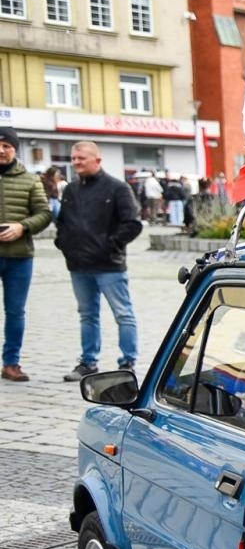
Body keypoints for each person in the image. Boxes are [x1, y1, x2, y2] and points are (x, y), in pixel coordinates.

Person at [56, 141, 142, 380]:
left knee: (123, 314)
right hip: (78, 266)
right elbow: (62, 223)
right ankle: (88, 362)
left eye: (81, 158)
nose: (76, 162)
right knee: (87, 315)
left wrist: (109, 246)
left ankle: (127, 363)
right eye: (74, 158)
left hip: (109, 266)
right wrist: (64, 245)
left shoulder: (117, 188)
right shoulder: (71, 190)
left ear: (97, 160)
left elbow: (132, 224)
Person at [0, 128, 53, 382]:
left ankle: (11, 363)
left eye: (7, 146)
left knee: (15, 312)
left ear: (15, 149)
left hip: (19, 257)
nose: (1, 150)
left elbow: (44, 213)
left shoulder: (30, 180)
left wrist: (22, 227)